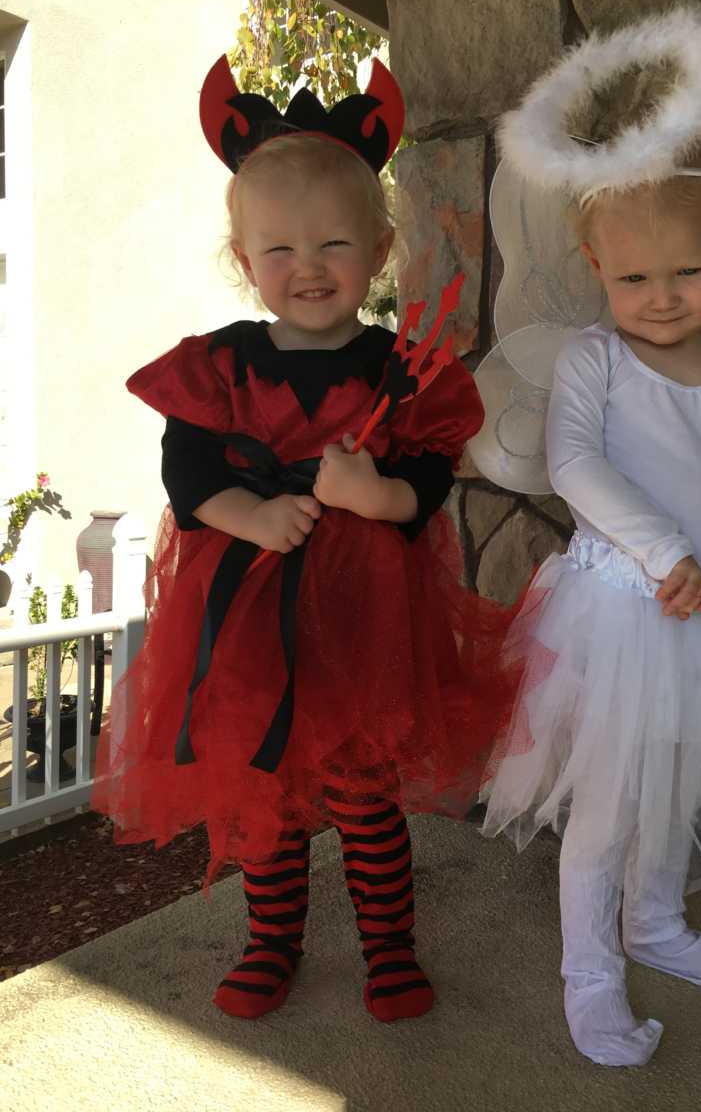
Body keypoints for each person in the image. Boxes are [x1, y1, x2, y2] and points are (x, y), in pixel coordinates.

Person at [92, 56, 518, 1024]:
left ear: (377, 251)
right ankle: (271, 939)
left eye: (334, 243)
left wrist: (375, 497)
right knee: (265, 799)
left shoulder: (398, 369)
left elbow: (429, 477)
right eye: (279, 250)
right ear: (244, 260)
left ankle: (389, 948)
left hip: (362, 623)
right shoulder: (219, 367)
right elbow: (189, 478)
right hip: (248, 615)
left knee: (366, 795)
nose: (309, 267)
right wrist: (249, 513)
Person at [480, 9, 701, 1066]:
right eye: (633, 280)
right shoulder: (596, 360)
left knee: (675, 786)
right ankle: (590, 967)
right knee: (608, 802)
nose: (662, 300)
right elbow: (576, 465)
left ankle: (657, 921)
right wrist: (665, 551)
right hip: (626, 608)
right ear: (594, 260)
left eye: (688, 274)